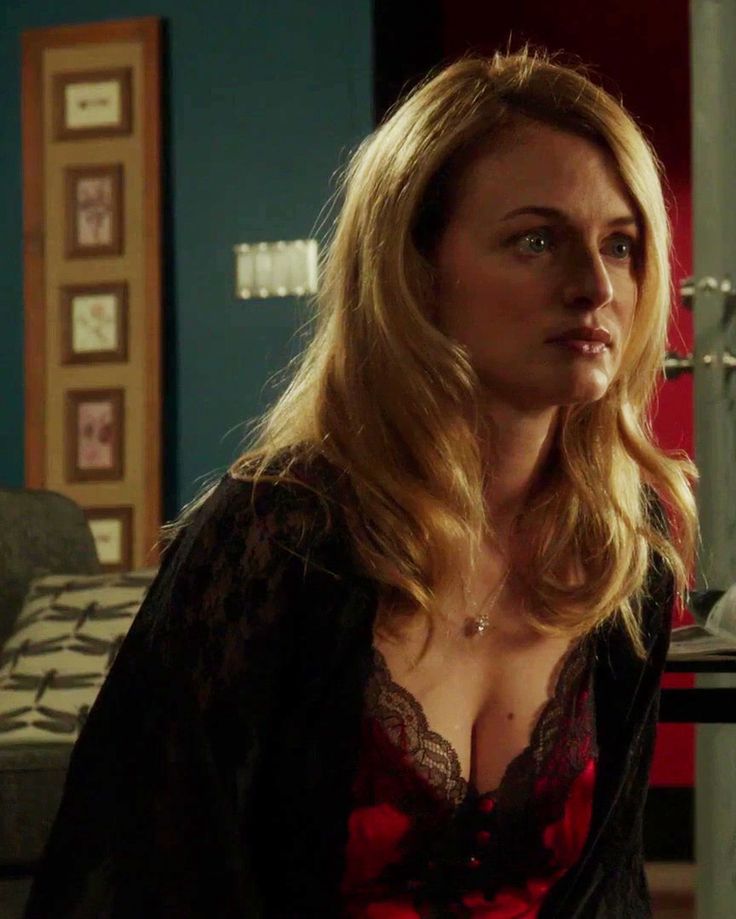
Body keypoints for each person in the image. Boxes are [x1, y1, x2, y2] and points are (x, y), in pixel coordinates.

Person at [24, 45, 699, 919]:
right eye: (536, 240)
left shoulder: (619, 544)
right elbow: (136, 875)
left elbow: (608, 891)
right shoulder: (275, 533)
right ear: (417, 270)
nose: (595, 286)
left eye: (621, 245)